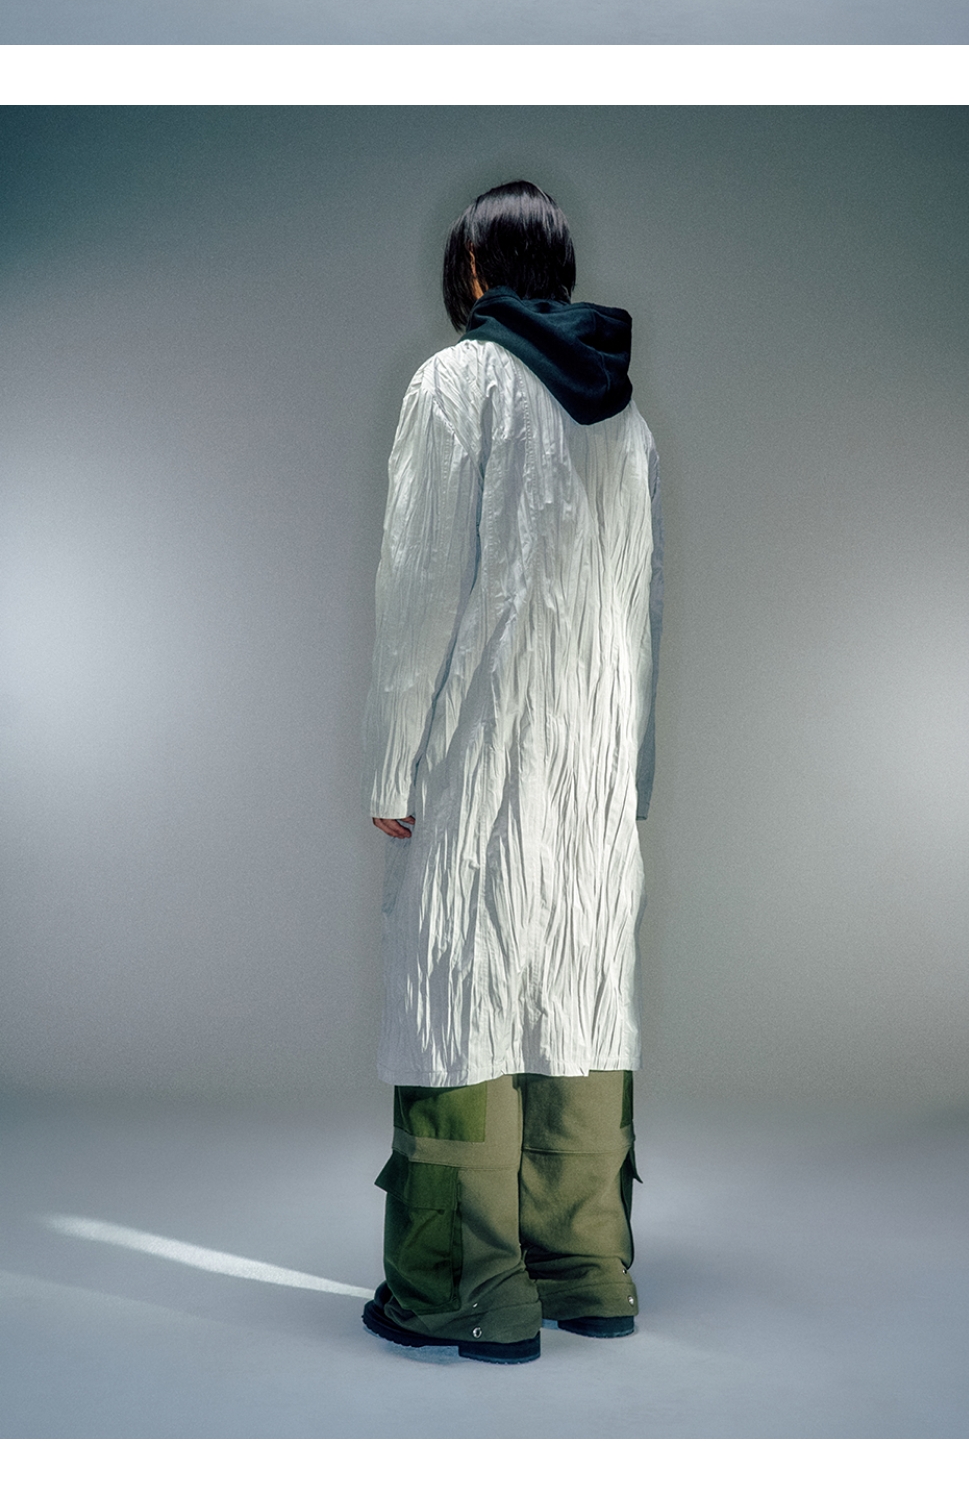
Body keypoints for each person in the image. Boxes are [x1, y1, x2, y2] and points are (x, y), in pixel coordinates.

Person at [363, 170, 661, 1354]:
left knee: (462, 988)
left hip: (482, 755)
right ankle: (585, 1267)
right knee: (574, 989)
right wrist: (631, 777)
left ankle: (465, 1287)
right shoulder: (623, 413)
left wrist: (394, 767)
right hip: (591, 766)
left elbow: (419, 593)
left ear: (475, 270)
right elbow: (639, 607)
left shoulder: (456, 383)